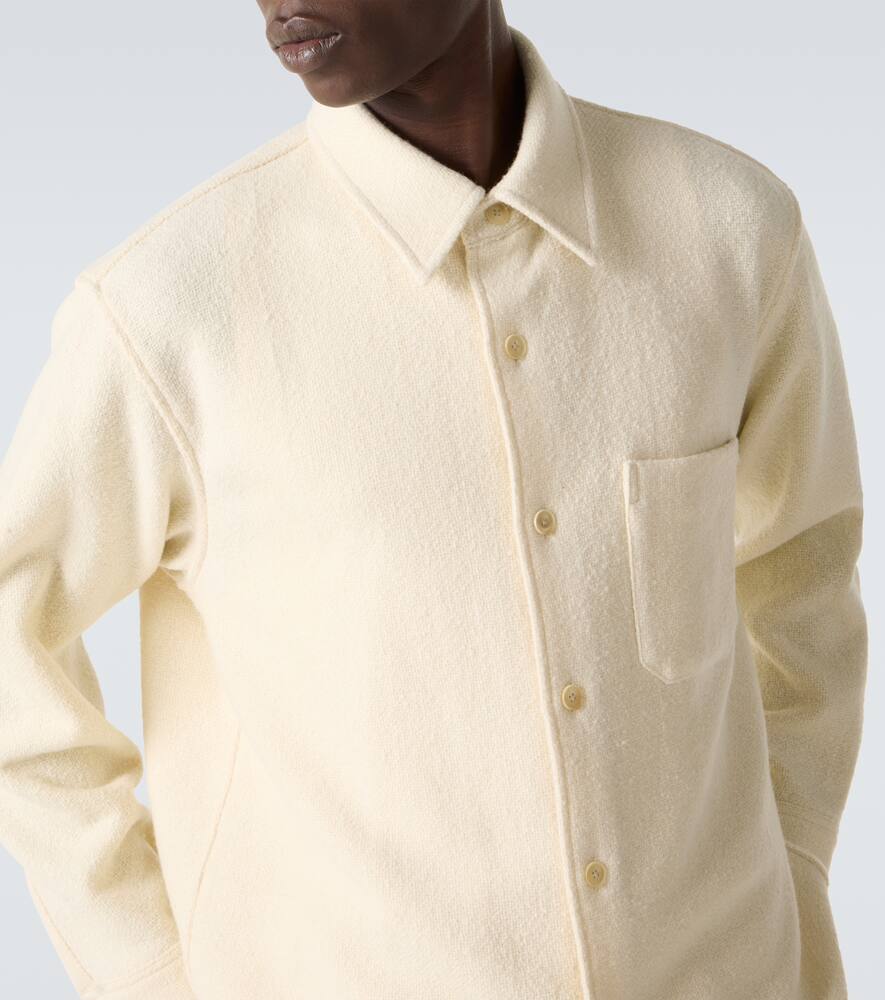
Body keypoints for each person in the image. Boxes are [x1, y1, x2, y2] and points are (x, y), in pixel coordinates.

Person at [0, 2, 867, 998]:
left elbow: (804, 583)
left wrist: (793, 867)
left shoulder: (728, 229)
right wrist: (151, 971)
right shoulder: (170, 307)